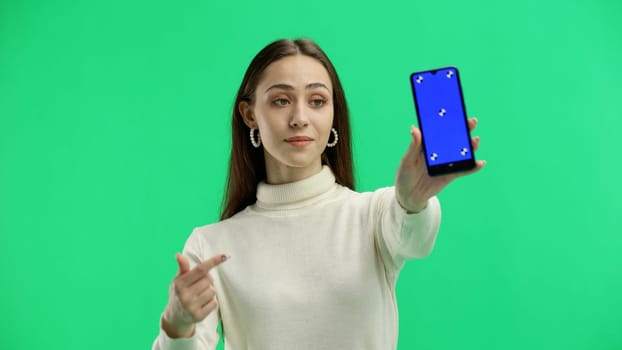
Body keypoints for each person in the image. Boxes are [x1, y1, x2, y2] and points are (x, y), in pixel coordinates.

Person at [152, 38, 484, 350]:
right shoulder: (211, 246)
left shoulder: (374, 214)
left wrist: (413, 201)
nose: (300, 118)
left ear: (333, 114)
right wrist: (178, 326)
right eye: (281, 100)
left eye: (317, 101)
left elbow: (415, 238)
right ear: (250, 114)